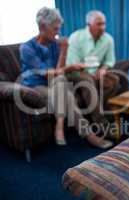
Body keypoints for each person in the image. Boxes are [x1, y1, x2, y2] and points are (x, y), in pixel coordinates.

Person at [19, 7, 112, 148]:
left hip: (56, 81)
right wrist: (70, 67)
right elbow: (48, 73)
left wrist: (63, 51)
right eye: (55, 29)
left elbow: (58, 72)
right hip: (36, 85)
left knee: (61, 81)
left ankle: (60, 124)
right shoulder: (27, 48)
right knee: (66, 92)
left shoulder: (55, 44)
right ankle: (89, 136)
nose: (58, 33)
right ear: (43, 27)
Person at [66, 11, 119, 147]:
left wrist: (103, 69)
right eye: (99, 24)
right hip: (76, 73)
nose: (103, 27)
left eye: (104, 23)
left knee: (114, 80)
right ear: (89, 24)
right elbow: (72, 64)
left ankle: (100, 111)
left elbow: (109, 60)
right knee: (88, 81)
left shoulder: (108, 39)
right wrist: (89, 71)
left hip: (95, 71)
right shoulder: (76, 37)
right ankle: (102, 125)